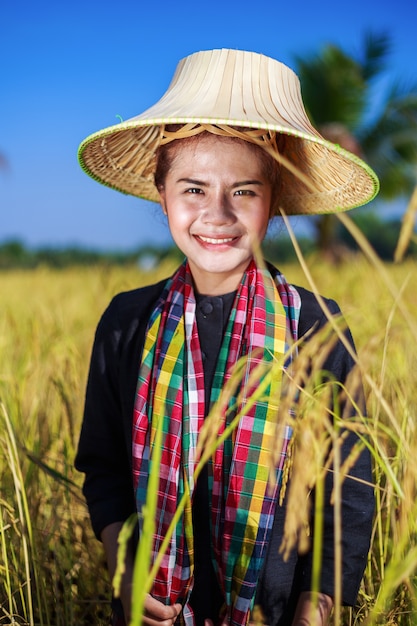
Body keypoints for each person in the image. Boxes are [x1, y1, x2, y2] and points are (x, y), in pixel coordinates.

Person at [75, 48, 377, 626]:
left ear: (275, 202)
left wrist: (317, 609)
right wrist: (125, 567)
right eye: (192, 189)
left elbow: (350, 490)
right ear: (161, 196)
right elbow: (104, 467)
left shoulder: (317, 327)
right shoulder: (126, 323)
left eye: (243, 191)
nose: (216, 214)